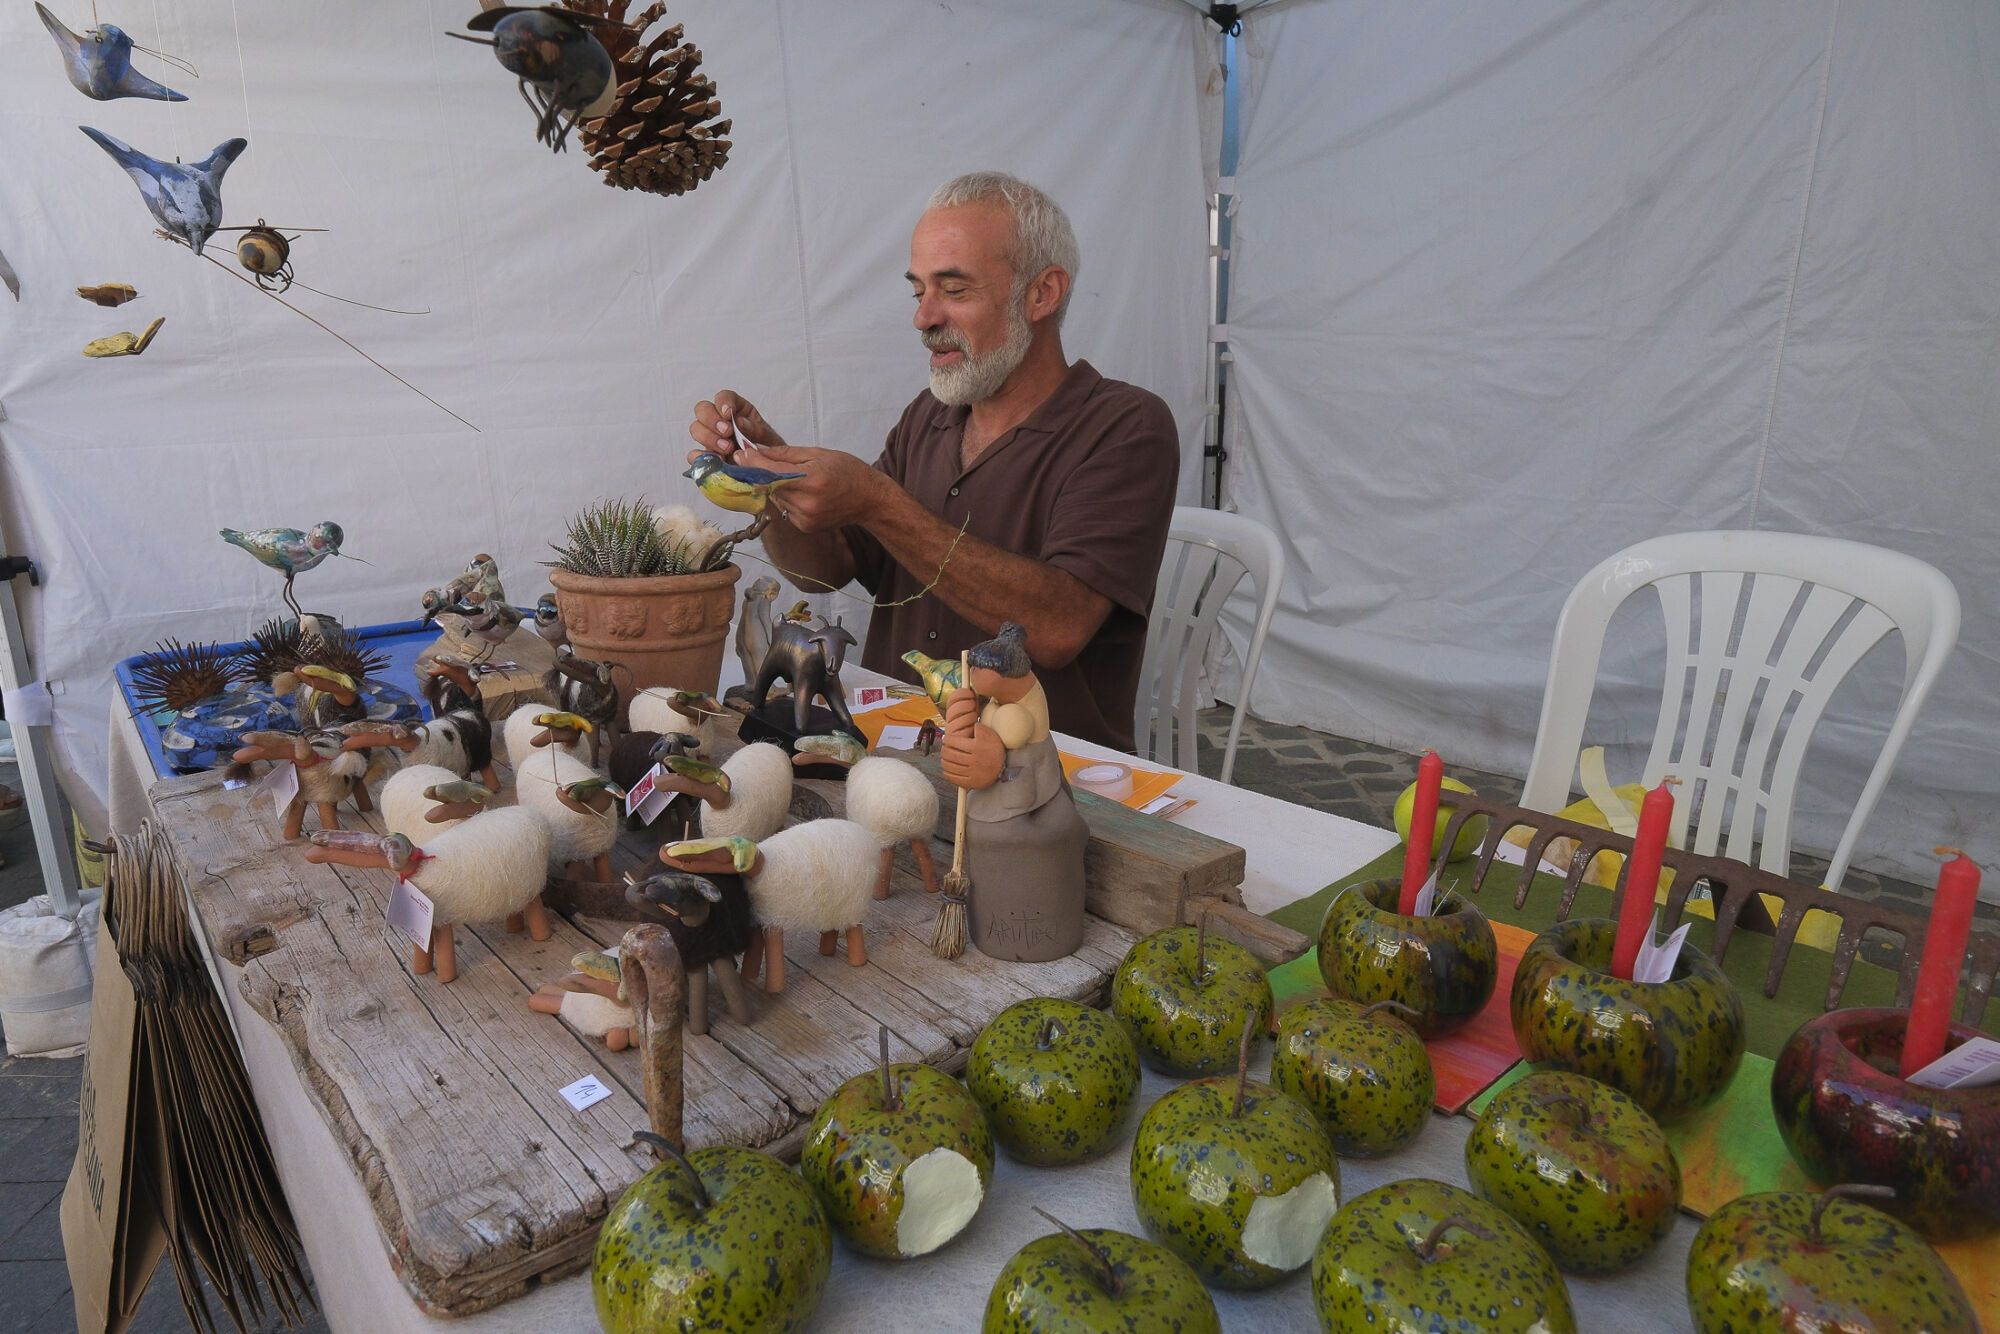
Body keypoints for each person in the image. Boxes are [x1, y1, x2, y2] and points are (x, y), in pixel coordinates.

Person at [686, 171, 1179, 750]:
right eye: (918, 291)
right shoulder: (930, 415)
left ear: (1042, 293)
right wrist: (769, 480)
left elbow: (1056, 628)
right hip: (896, 755)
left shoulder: (1125, 425)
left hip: (1042, 785)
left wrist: (877, 500)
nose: (924, 317)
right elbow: (828, 567)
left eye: (955, 289)